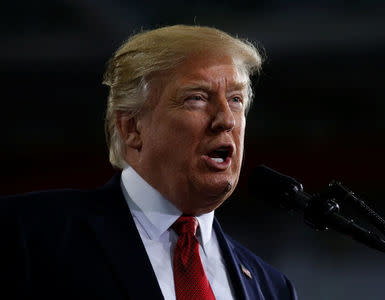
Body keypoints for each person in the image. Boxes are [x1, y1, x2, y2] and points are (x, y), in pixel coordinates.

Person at [1, 25, 298, 300]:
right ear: (132, 128)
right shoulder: (28, 234)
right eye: (196, 98)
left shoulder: (271, 287)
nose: (225, 119)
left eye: (235, 99)